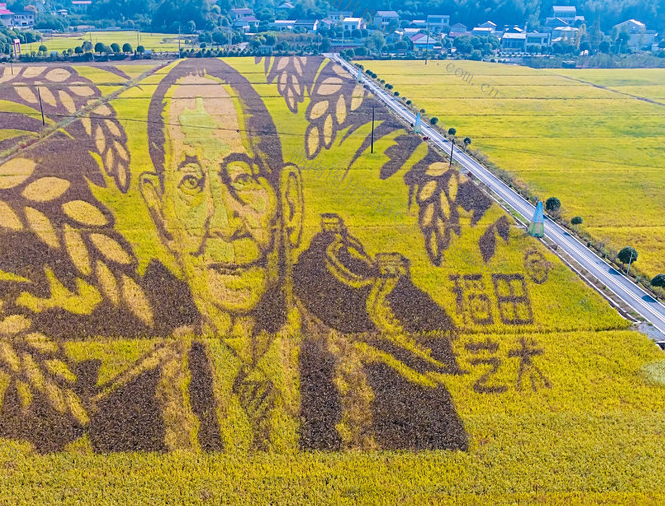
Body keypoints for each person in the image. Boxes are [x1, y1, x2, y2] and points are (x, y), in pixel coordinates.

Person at [89, 59, 468, 453]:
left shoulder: (412, 403)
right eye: (191, 183)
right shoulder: (120, 414)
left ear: (289, 201)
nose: (223, 220)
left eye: (243, 178)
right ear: (160, 212)